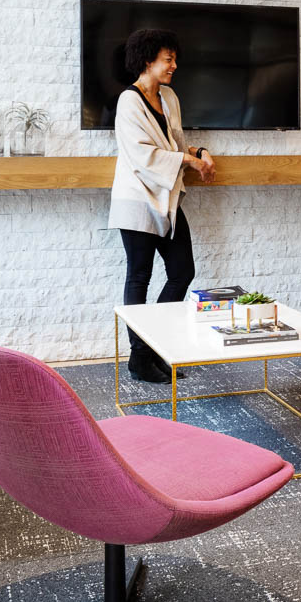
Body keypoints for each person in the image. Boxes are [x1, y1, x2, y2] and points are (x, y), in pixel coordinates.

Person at [109, 28, 216, 382]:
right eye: (167, 59)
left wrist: (197, 154)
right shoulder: (129, 101)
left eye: (174, 59)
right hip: (137, 199)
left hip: (166, 197)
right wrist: (188, 162)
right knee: (139, 276)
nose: (174, 65)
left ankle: (151, 347)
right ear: (147, 60)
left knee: (182, 272)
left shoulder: (169, 97)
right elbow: (143, 156)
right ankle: (141, 357)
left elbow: (175, 143)